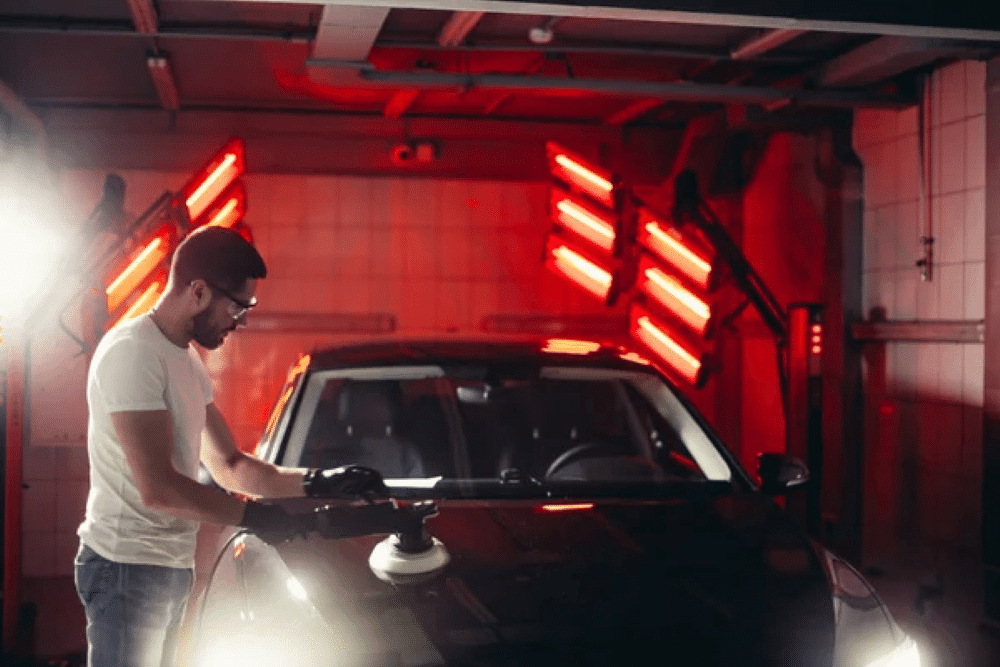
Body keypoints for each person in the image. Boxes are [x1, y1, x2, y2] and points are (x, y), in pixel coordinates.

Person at [74, 226, 387, 667]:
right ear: (198, 291)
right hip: (126, 567)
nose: (241, 320)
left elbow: (230, 464)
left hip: (167, 564)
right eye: (237, 306)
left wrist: (320, 482)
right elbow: (158, 488)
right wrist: (253, 515)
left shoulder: (185, 360)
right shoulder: (132, 354)